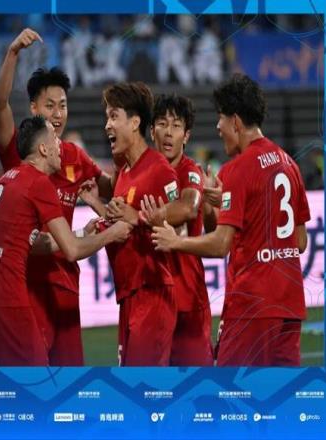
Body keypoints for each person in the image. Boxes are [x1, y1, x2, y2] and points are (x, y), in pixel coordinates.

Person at [151, 74, 311, 366]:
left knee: (231, 390)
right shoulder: (289, 164)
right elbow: (299, 242)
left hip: (252, 305)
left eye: (221, 118)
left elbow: (220, 244)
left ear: (235, 122)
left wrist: (175, 242)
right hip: (290, 306)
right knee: (281, 391)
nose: (218, 126)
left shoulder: (238, 168)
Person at [0, 28, 115, 365]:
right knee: (31, 385)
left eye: (63, 105)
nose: (58, 114)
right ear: (33, 108)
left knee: (70, 382)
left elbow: (108, 185)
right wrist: (13, 53)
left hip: (65, 288)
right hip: (26, 290)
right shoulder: (19, 152)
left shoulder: (74, 155)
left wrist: (132, 156)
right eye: (50, 106)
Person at [0, 116, 131, 366]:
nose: (60, 146)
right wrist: (113, 233)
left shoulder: (7, 179)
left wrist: (81, 233)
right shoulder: (39, 182)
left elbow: (33, 243)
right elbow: (72, 251)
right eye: (55, 139)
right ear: (43, 149)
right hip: (9, 303)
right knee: (38, 386)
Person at [99, 82, 180, 366]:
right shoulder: (124, 172)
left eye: (114, 116)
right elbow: (124, 223)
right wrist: (102, 213)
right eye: (107, 117)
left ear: (135, 123)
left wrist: (138, 217)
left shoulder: (159, 168)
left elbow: (181, 213)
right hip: (129, 296)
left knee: (144, 388)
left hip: (152, 293)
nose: (107, 125)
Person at [140, 93, 213, 366]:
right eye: (162, 123)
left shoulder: (190, 171)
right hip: (151, 297)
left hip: (187, 297)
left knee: (198, 383)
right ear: (151, 131)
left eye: (176, 125)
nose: (168, 132)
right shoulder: (139, 172)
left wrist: (139, 216)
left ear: (187, 136)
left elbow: (188, 208)